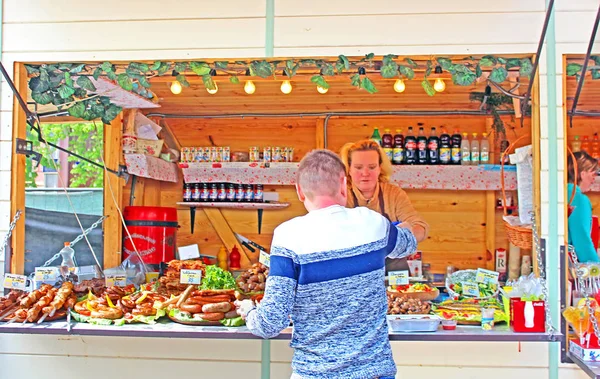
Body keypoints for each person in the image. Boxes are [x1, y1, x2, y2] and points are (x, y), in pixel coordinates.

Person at [237, 149, 416, 379]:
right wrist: (399, 228)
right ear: (344, 185)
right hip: (374, 373)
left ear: (300, 191)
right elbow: (408, 244)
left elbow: (270, 323)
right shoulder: (373, 224)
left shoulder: (287, 236)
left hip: (315, 373)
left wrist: (250, 311)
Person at [340, 139, 429, 271]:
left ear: (379, 169)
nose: (365, 173)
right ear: (349, 169)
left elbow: (421, 227)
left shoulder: (394, 194)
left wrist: (405, 234)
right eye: (358, 167)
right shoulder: (341, 195)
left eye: (372, 167)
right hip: (353, 271)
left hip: (393, 273)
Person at [568, 151, 599, 263]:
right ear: (582, 174)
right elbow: (582, 239)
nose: (594, 179)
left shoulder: (562, 193)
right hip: (573, 267)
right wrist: (595, 267)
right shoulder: (580, 199)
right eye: (592, 173)